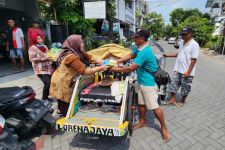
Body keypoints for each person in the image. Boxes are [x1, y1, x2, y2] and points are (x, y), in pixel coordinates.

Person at [110, 29, 170, 142]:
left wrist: (115, 69)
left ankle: (164, 127)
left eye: (136, 37)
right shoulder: (139, 48)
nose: (134, 39)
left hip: (149, 83)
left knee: (154, 107)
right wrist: (117, 61)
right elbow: (130, 55)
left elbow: (131, 67)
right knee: (141, 104)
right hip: (140, 81)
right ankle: (143, 121)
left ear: (141, 39)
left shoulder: (145, 51)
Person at [49, 34, 109, 116]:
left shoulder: (77, 51)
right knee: (65, 100)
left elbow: (90, 57)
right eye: (81, 43)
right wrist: (101, 68)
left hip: (68, 78)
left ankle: (65, 111)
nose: (82, 44)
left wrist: (103, 61)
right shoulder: (71, 57)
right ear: (74, 43)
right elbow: (84, 71)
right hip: (63, 80)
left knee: (70, 100)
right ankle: (66, 116)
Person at [164, 27, 200, 107]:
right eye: (181, 34)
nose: (182, 36)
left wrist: (188, 72)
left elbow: (194, 59)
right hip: (178, 69)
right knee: (173, 84)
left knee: (185, 87)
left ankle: (182, 101)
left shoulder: (194, 44)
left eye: (184, 34)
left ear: (190, 34)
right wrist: (168, 55)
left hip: (187, 71)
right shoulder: (181, 43)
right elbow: (178, 54)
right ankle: (172, 99)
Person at [28, 33, 53, 100]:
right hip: (40, 69)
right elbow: (31, 59)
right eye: (38, 39)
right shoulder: (32, 48)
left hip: (48, 68)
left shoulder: (44, 46)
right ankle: (44, 99)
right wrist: (44, 58)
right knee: (47, 83)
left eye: (41, 38)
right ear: (34, 39)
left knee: (49, 83)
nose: (40, 40)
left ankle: (46, 97)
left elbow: (49, 54)